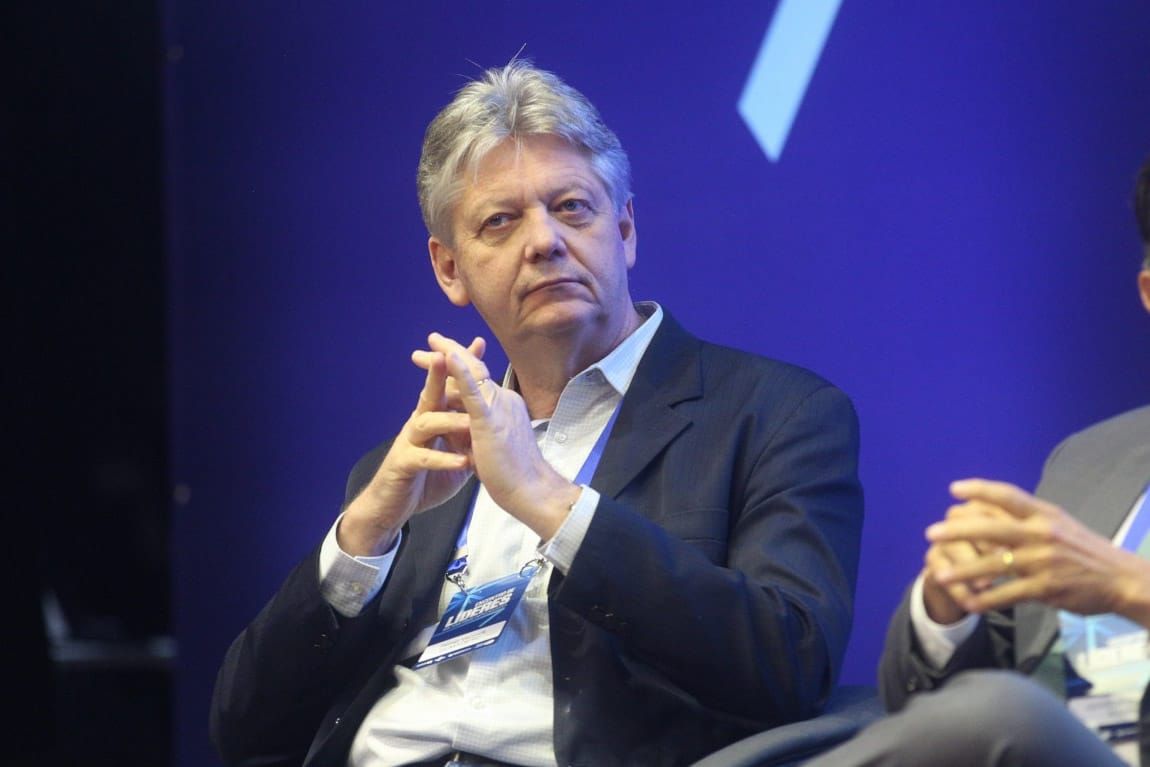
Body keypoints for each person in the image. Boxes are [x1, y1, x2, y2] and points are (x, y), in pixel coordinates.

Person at [209, 60, 864, 767]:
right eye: (500, 221)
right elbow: (244, 731)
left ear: (625, 229)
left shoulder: (776, 416)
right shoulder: (416, 472)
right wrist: (364, 533)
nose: (545, 241)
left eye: (572, 207)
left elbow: (790, 665)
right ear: (450, 268)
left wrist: (548, 500)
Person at [807, 154, 1150, 766]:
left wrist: (1127, 587)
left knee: (1001, 710)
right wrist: (948, 609)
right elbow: (922, 710)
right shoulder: (1092, 458)